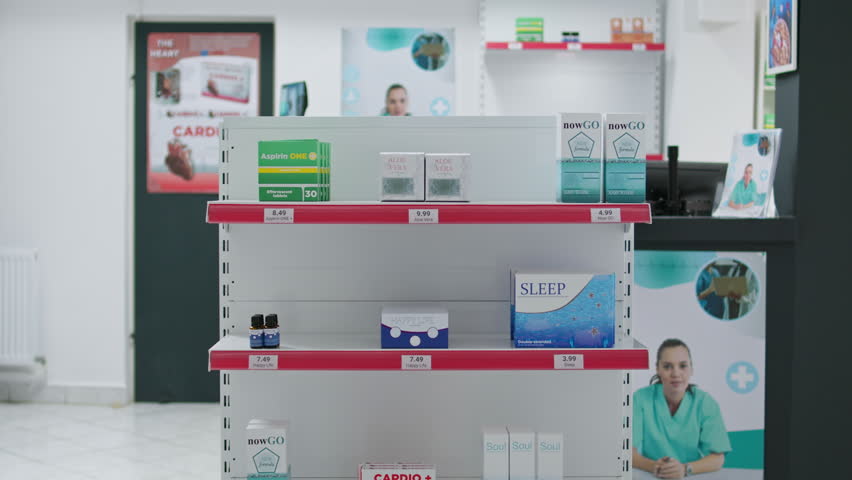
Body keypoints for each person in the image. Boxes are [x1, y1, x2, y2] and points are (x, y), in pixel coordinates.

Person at [633, 339, 731, 478]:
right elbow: (626, 451)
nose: (676, 373)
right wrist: (655, 466)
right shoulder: (640, 399)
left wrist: (685, 469)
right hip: (651, 475)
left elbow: (718, 458)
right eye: (667, 366)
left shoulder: (704, 403)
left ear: (691, 368)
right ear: (657, 369)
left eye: (683, 366)